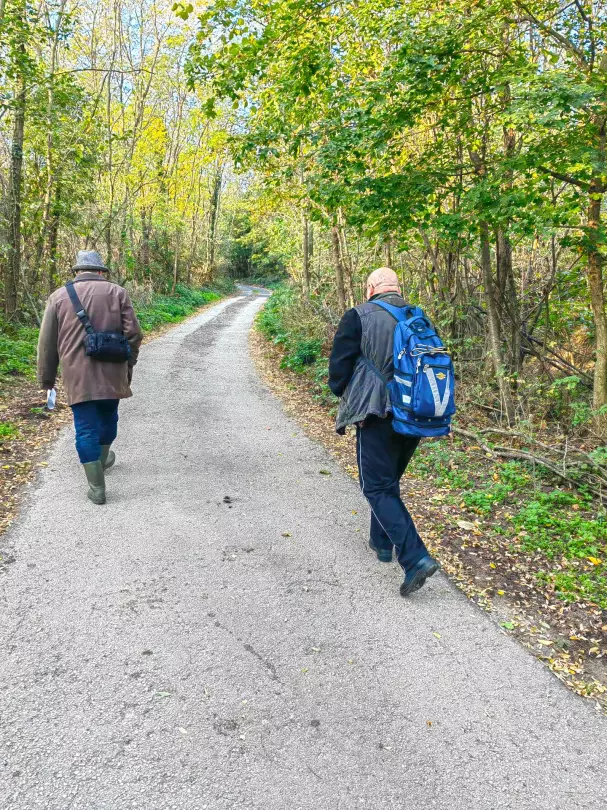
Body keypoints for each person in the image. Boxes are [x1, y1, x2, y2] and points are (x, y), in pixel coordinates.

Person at [328, 267, 440, 596]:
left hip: (377, 412)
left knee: (376, 486)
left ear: (371, 287)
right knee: (388, 481)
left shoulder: (358, 315)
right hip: (417, 414)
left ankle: (415, 557)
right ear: (397, 288)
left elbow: (339, 369)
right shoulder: (419, 318)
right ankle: (381, 544)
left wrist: (345, 392)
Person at [37, 250, 143, 505]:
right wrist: (129, 364)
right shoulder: (118, 292)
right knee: (109, 417)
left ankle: (97, 488)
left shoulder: (58, 297)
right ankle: (103, 457)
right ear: (100, 271)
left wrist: (47, 380)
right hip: (113, 372)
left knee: (85, 428)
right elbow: (134, 334)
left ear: (77, 272)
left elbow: (47, 344)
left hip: (77, 376)